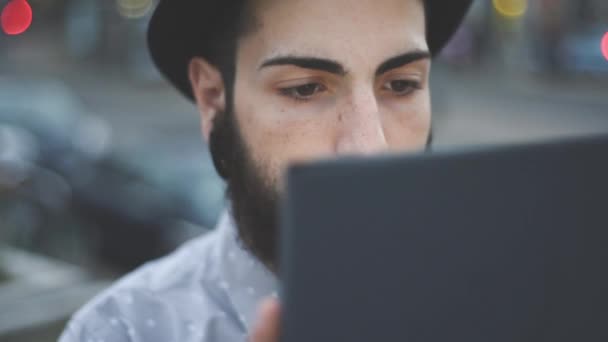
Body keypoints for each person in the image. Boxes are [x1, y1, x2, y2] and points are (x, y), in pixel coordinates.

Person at [60, 0, 472, 341]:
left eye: (402, 85)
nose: (370, 148)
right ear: (212, 97)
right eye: (304, 88)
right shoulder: (118, 331)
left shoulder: (499, 299)